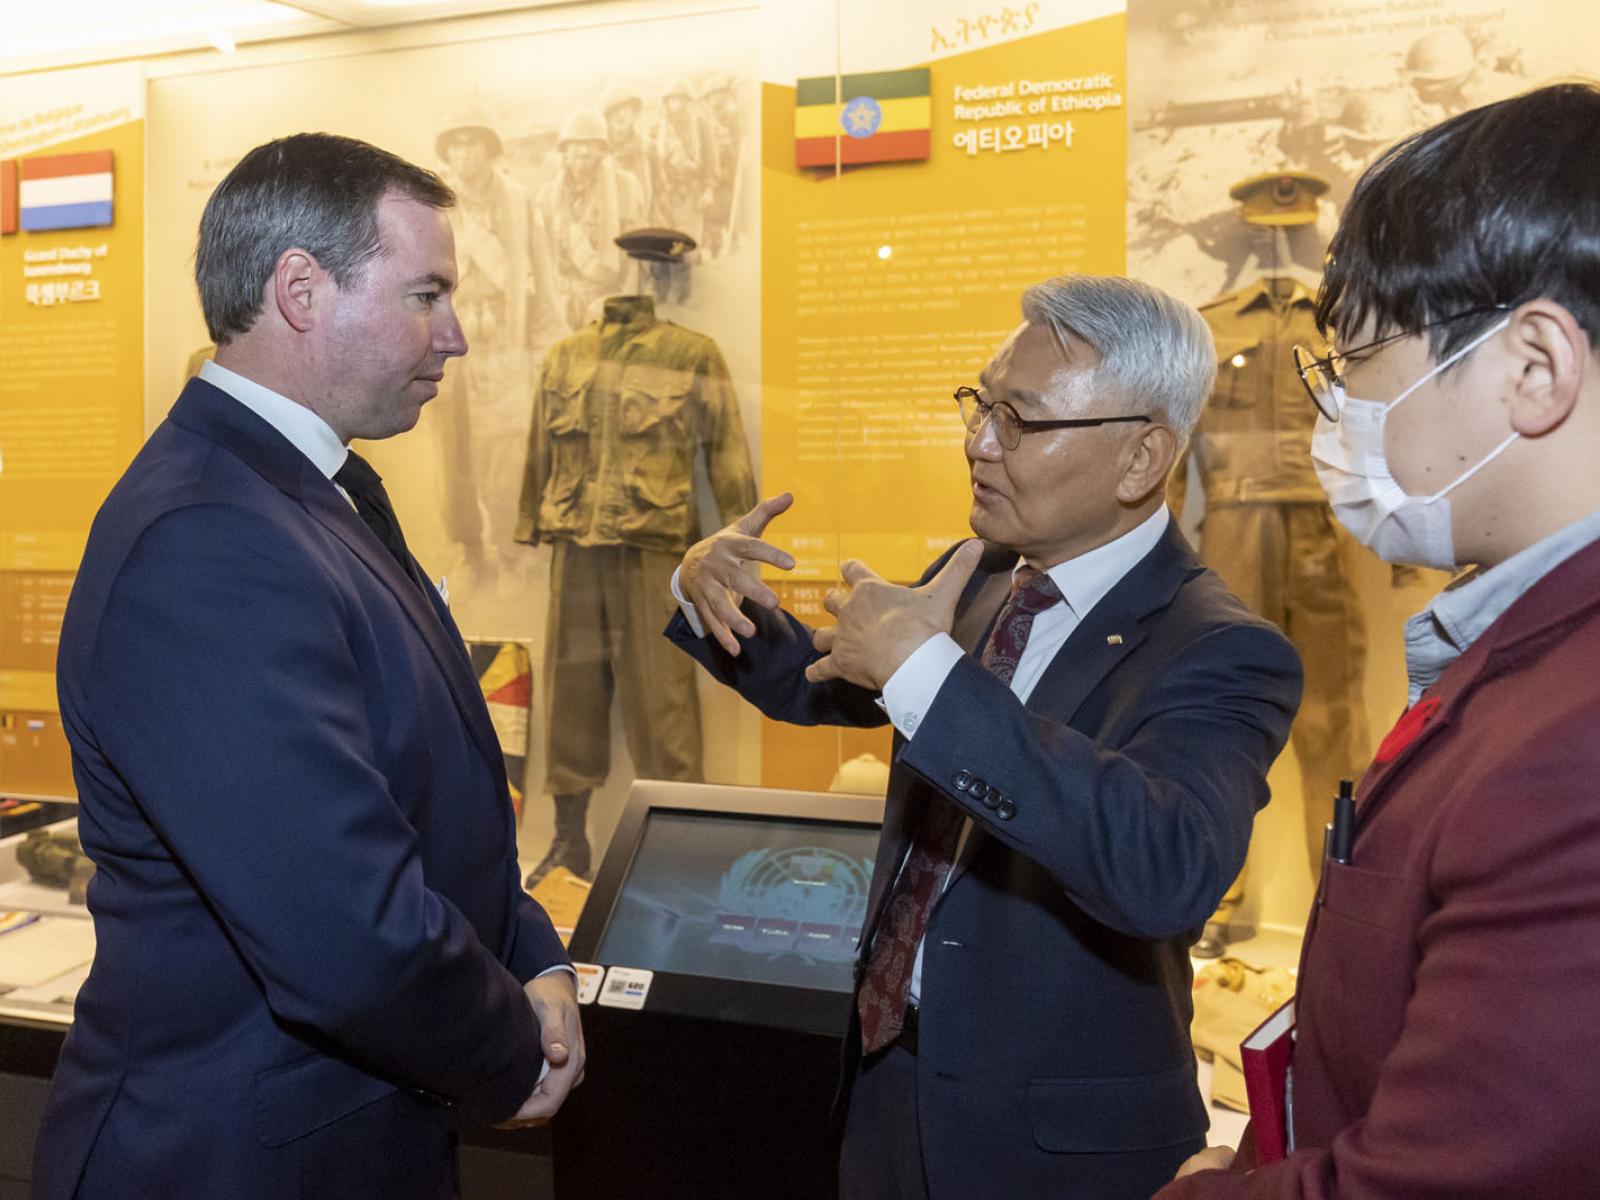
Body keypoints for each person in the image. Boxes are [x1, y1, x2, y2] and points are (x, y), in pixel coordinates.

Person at [668, 274, 1303, 1199]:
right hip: (892, 1087)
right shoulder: (977, 580)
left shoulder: (1220, 648)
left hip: (1051, 1143)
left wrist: (925, 673)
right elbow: (828, 681)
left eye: (1020, 419)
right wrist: (710, 595)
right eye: (980, 404)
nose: (978, 443)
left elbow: (1164, 865)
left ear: (1141, 458)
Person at [33, 132, 582, 1200]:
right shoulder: (206, 536)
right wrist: (513, 1047)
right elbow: (345, 928)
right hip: (232, 1160)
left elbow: (429, 800)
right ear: (299, 289)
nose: (456, 336)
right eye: (426, 294)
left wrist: (536, 956)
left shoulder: (309, 491)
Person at [1160, 81, 1600, 1198]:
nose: (1338, 419)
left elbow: (1451, 1171)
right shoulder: (1528, 656)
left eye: (1358, 368)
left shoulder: (1570, 743)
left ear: (1533, 370)